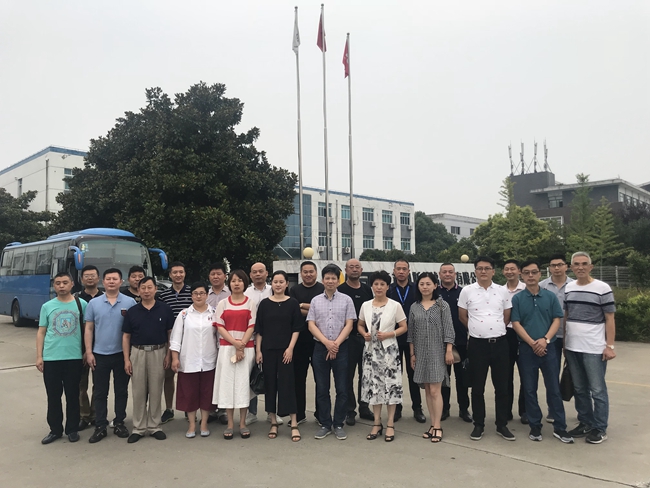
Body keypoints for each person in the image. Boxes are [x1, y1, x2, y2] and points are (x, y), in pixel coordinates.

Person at [511, 260, 574, 444]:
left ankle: (560, 427)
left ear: (540, 274)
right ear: (522, 275)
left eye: (534, 272)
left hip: (549, 348)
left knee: (553, 388)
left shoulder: (550, 297)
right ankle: (535, 426)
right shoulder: (517, 299)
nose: (530, 276)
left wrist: (545, 340)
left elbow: (557, 320)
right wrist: (532, 342)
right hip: (527, 349)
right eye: (526, 273)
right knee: (529, 389)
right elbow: (516, 323)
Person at [458, 256, 514, 441]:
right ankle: (479, 424)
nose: (483, 271)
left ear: (493, 271)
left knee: (502, 387)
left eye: (487, 268)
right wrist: (477, 329)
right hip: (477, 345)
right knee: (477, 387)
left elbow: (506, 316)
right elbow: (462, 316)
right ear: (475, 271)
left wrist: (494, 329)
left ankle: (501, 424)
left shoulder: (502, 291)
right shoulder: (467, 291)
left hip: (500, 344)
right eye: (480, 268)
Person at [564, 252, 616, 444]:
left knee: (597, 390)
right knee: (579, 389)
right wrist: (564, 344)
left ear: (591, 267)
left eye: (584, 264)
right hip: (573, 347)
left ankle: (600, 428)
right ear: (572, 267)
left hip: (594, 348)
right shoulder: (569, 288)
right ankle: (585, 422)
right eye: (576, 264)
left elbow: (610, 318)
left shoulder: (602, 288)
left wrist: (609, 345)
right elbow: (567, 316)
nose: (580, 267)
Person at [84, 268, 137, 444]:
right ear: (103, 282)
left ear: (121, 282)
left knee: (121, 390)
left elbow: (133, 329)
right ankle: (100, 425)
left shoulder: (129, 302)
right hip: (99, 355)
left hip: (122, 355)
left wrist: (129, 356)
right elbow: (89, 328)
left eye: (115, 279)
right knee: (100, 392)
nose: (112, 281)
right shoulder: (94, 303)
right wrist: (89, 352)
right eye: (108, 279)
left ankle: (119, 421)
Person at [122, 277, 174, 443]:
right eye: (143, 288)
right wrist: (126, 359)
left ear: (155, 289)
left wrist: (168, 354)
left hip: (159, 352)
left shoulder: (165, 309)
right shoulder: (132, 311)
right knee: (138, 391)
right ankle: (138, 428)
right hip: (138, 353)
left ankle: (154, 426)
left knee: (156, 390)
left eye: (149, 287)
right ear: (138, 290)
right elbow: (126, 336)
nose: (146, 291)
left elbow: (170, 334)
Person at [36, 272, 87, 444]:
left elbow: (88, 330)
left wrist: (87, 351)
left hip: (74, 357)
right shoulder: (47, 306)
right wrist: (39, 356)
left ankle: (72, 429)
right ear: (54, 286)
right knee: (53, 396)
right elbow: (41, 332)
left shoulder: (82, 304)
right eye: (58, 283)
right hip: (51, 358)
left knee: (73, 395)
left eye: (65, 282)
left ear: (72, 284)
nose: (61, 286)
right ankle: (55, 430)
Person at [307, 264, 356, 440]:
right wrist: (327, 343)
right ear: (323, 280)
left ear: (338, 280)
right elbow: (311, 324)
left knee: (342, 388)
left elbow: (349, 324)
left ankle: (339, 423)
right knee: (322, 388)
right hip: (320, 348)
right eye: (327, 278)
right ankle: (326, 423)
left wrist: (335, 344)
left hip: (341, 348)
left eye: (333, 278)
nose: (330, 281)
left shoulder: (346, 300)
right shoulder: (315, 301)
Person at [357, 271, 407, 442]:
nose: (379, 287)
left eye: (382, 284)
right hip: (371, 352)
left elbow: (403, 326)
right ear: (372, 286)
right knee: (374, 387)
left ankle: (390, 423)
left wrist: (389, 334)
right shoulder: (366, 305)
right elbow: (360, 324)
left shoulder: (395, 305)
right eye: (376, 284)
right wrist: (364, 333)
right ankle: (377, 423)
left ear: (387, 287)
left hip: (389, 351)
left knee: (391, 386)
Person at [255, 271, 304, 441]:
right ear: (272, 283)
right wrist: (258, 351)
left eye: (281, 282)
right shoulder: (264, 304)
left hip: (286, 351)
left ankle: (294, 422)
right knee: (270, 385)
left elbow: (297, 328)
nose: (278, 284)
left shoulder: (292, 303)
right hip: (268, 350)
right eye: (275, 281)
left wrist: (290, 348)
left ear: (286, 284)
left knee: (288, 384)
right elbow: (259, 330)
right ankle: (273, 421)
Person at [408, 272, 455, 443]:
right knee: (427, 390)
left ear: (435, 285)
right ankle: (432, 424)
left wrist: (448, 350)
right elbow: (411, 333)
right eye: (422, 284)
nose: (425, 287)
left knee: (436, 390)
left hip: (437, 352)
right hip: (420, 353)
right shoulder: (414, 307)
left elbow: (449, 329)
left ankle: (437, 426)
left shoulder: (442, 305)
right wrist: (412, 354)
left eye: (428, 284)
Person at [212, 269, 257, 439]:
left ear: (245, 283)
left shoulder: (250, 303)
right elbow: (220, 326)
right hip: (227, 349)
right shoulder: (223, 304)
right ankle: (230, 424)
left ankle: (243, 423)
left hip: (246, 349)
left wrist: (241, 345)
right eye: (233, 281)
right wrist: (235, 343)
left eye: (239, 280)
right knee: (227, 385)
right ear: (229, 284)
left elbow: (251, 326)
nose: (236, 283)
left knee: (243, 385)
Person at [170, 282, 218, 438]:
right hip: (189, 361)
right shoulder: (184, 315)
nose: (199, 296)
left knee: (207, 393)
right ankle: (191, 424)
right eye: (195, 293)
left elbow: (219, 337)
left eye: (202, 293)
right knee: (189, 394)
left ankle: (204, 423)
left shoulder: (214, 313)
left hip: (209, 361)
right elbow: (175, 338)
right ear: (191, 296)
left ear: (207, 295)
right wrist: (175, 358)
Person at [387, 259, 425, 424]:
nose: (401, 272)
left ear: (409, 271)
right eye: (398, 269)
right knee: (395, 375)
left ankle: (417, 408)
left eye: (404, 269)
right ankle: (397, 408)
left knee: (413, 374)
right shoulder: (389, 289)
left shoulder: (417, 288)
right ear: (394, 271)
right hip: (392, 337)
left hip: (414, 338)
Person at [337, 258, 374, 426]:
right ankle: (349, 410)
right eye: (351, 267)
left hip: (366, 338)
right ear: (346, 270)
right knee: (347, 376)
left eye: (357, 267)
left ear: (361, 270)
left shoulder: (367, 289)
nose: (354, 269)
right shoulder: (340, 290)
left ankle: (364, 407)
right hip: (348, 339)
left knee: (365, 375)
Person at [289, 261, 325, 424]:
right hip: (299, 340)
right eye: (305, 272)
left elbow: (324, 310)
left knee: (321, 380)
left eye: (311, 271)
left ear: (316, 273)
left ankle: (321, 414)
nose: (308, 274)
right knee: (298, 379)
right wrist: (315, 309)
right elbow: (295, 311)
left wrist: (303, 305)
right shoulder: (294, 290)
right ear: (301, 273)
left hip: (319, 340)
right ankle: (299, 414)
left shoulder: (322, 289)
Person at [540, 253, 574, 423]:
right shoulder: (542, 286)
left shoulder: (575, 285)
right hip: (550, 337)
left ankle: (583, 412)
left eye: (560, 264)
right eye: (553, 265)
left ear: (566, 266)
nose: (556, 268)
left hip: (571, 336)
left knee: (575, 374)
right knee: (551, 375)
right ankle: (553, 410)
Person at [158, 261, 193, 424]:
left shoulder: (192, 292)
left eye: (181, 272)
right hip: (170, 340)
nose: (178, 275)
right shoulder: (163, 295)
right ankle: (169, 409)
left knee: (188, 376)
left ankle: (189, 408)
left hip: (190, 340)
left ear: (185, 273)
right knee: (168, 376)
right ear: (170, 275)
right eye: (175, 272)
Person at [438, 263, 472, 423]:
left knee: (462, 378)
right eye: (444, 272)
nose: (447, 274)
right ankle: (444, 408)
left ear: (455, 274)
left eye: (450, 272)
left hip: (461, 341)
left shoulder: (463, 292)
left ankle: (464, 409)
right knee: (444, 378)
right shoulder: (435, 293)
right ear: (439, 274)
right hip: (440, 342)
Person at [244, 262, 273, 426]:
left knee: (271, 376)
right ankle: (252, 412)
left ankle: (271, 412)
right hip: (251, 340)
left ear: (266, 273)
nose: (257, 274)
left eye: (261, 271)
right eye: (254, 272)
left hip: (271, 340)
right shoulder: (246, 293)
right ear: (250, 275)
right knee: (251, 376)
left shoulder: (273, 290)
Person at [76, 265, 103, 431]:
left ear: (98, 278)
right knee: (81, 385)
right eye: (86, 276)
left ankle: (96, 415)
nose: (90, 278)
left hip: (101, 348)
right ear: (81, 279)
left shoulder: (104, 297)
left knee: (99, 385)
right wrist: (86, 350)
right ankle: (83, 415)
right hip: (80, 348)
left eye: (93, 275)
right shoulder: (76, 299)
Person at [502, 259, 527, 424]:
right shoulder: (499, 290)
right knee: (506, 375)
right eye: (506, 269)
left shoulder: (526, 289)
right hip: (506, 333)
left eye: (513, 269)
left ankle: (525, 410)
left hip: (525, 334)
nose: (509, 272)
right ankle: (506, 411)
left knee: (526, 374)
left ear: (519, 271)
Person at [205, 262, 231, 425]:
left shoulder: (230, 294)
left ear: (225, 276)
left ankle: (223, 410)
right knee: (209, 376)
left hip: (226, 341)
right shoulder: (204, 294)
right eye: (213, 274)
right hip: (207, 342)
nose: (215, 277)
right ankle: (210, 409)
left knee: (224, 376)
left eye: (219, 274)